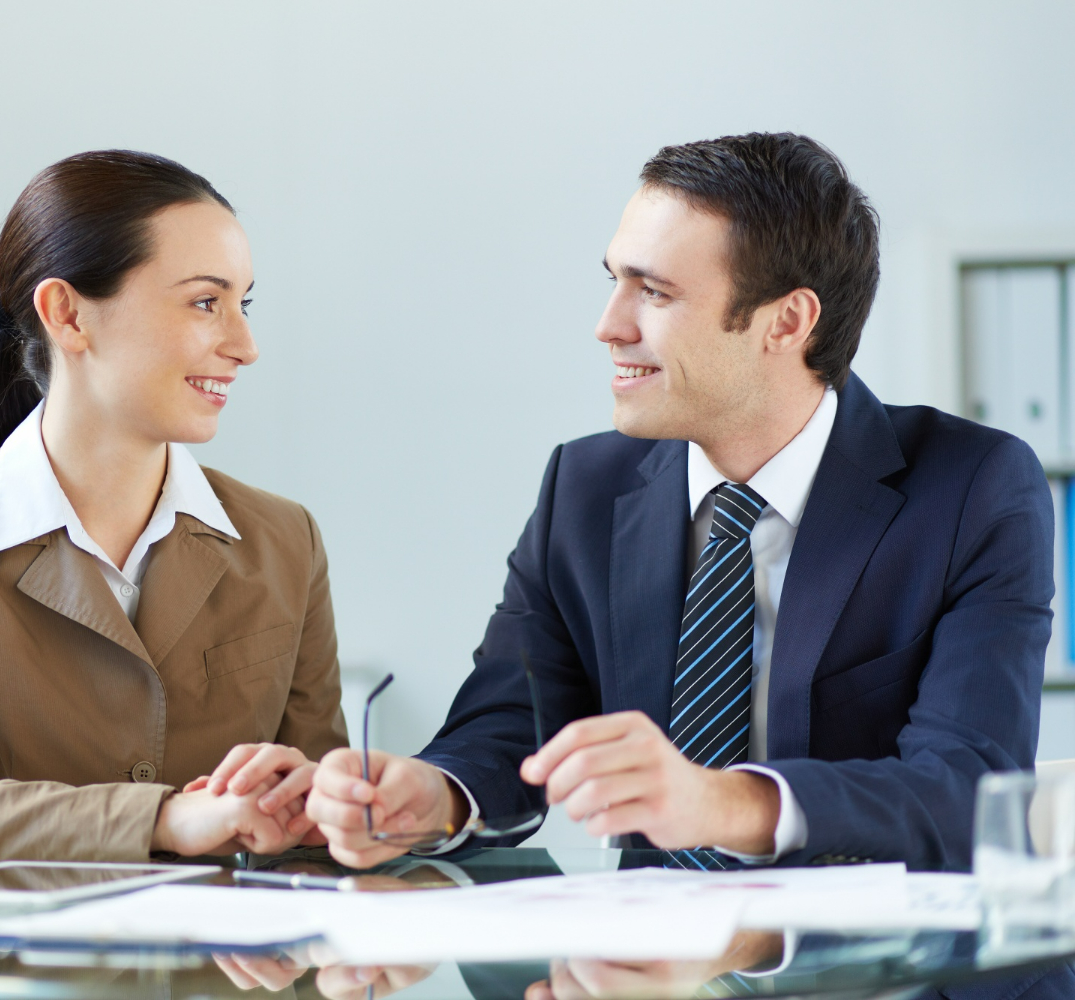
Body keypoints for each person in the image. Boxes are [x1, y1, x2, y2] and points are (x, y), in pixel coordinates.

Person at [288, 132, 1053, 876]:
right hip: (649, 962)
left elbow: (966, 789)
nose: (608, 325)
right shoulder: (584, 488)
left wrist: (719, 803)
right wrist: (435, 795)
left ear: (786, 322)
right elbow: (508, 727)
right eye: (614, 280)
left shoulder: (972, 488)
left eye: (653, 291)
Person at [0, 150, 347, 870]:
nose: (245, 346)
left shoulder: (285, 541)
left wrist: (329, 807)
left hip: (232, 976)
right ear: (67, 314)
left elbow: (318, 817)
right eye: (206, 302)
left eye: (244, 303)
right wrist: (161, 819)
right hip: (18, 976)